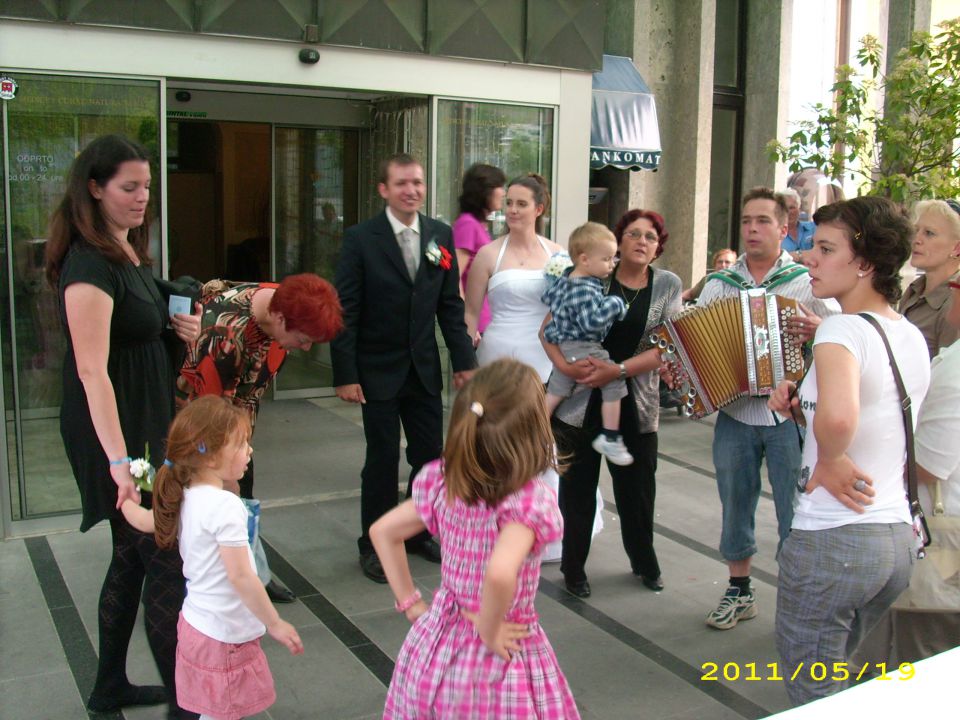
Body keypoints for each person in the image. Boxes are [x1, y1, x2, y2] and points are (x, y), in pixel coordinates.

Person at [45, 134, 202, 718]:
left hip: (142, 423)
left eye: (146, 187)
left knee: (133, 555)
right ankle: (186, 706)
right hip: (116, 435)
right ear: (95, 188)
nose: (142, 199)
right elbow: (92, 372)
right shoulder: (89, 263)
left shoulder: (125, 250)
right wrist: (120, 465)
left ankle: (109, 684)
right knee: (165, 555)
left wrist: (172, 328)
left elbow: (135, 331)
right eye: (128, 188)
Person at [768, 196, 930, 706]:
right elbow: (875, 415)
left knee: (813, 691)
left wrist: (832, 457)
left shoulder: (839, 328)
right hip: (895, 539)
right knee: (851, 688)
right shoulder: (907, 332)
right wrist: (804, 414)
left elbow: (840, 419)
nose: (808, 258)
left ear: (864, 263)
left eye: (824, 248)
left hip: (834, 540)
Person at [370, 359, 579, 719]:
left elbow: (383, 532)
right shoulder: (526, 500)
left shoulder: (444, 482)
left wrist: (411, 604)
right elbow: (500, 572)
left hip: (438, 643)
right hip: (496, 652)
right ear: (532, 431)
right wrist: (489, 627)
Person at [331, 153, 477, 584]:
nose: (411, 190)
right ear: (384, 189)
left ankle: (416, 531)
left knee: (430, 458)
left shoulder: (440, 235)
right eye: (401, 184)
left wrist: (463, 361)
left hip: (423, 369)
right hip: (375, 369)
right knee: (379, 460)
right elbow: (346, 310)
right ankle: (374, 541)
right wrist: (345, 372)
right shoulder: (361, 238)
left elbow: (450, 305)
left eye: (417, 182)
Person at [697, 187, 836, 630]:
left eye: (762, 221)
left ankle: (797, 598)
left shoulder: (804, 279)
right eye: (746, 221)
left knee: (796, 509)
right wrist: (683, 370)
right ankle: (740, 591)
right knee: (735, 501)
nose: (753, 229)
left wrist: (818, 328)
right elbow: (695, 341)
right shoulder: (720, 283)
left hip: (789, 417)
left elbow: (846, 331)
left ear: (783, 228)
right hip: (735, 414)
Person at [121, 396, 304, 719]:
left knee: (212, 709)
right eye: (241, 444)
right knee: (223, 711)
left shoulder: (184, 496)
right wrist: (274, 622)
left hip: (196, 626)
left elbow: (145, 521)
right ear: (207, 453)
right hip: (224, 636)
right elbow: (241, 576)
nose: (249, 450)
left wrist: (125, 501)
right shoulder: (224, 506)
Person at [176, 272, 343, 602]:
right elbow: (207, 417)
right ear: (279, 319)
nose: (305, 347)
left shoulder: (283, 302)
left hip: (238, 417)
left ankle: (251, 572)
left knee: (243, 493)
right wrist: (225, 475)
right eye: (303, 339)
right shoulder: (222, 335)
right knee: (208, 502)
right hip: (203, 424)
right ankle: (202, 586)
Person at [543, 209, 682, 598]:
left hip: (635, 403)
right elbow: (547, 332)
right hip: (578, 401)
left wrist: (616, 371)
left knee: (637, 491)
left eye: (650, 237)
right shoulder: (591, 275)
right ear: (618, 243)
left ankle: (644, 562)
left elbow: (666, 347)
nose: (641, 241)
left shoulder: (667, 284)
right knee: (576, 492)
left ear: (658, 247)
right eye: (633, 234)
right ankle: (574, 569)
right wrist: (564, 368)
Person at [543, 221, 631, 465]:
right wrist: (615, 304)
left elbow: (549, 300)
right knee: (613, 380)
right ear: (584, 259)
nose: (612, 265)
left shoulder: (567, 279)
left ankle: (534, 430)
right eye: (607, 259)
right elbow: (591, 323)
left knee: (556, 391)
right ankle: (611, 437)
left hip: (564, 346)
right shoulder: (585, 288)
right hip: (583, 346)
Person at [465, 173, 564, 382]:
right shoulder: (488, 254)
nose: (513, 210)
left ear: (538, 209)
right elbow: (471, 313)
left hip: (545, 359)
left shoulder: (557, 254)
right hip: (496, 358)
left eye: (521, 204)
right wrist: (464, 363)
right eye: (508, 203)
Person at [898, 198, 960, 359]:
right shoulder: (915, 289)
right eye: (916, 230)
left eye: (929, 233)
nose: (917, 239)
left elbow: (949, 374)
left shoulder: (954, 302)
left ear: (956, 248)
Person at [453, 163, 506, 337]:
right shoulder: (467, 224)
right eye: (499, 186)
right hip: (477, 324)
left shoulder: (479, 225)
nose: (503, 192)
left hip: (488, 320)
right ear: (485, 191)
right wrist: (466, 324)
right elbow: (454, 277)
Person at [780, 187, 816, 255]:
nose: (788, 212)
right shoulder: (774, 235)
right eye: (784, 208)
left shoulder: (814, 228)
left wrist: (798, 255)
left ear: (799, 209)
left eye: (792, 208)